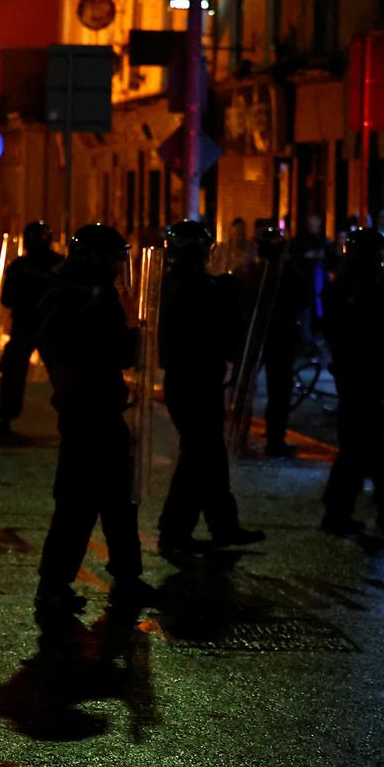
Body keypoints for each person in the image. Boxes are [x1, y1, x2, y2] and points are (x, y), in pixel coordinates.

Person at [32, 223, 151, 621]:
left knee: (119, 500)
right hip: (85, 413)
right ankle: (52, 586)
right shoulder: (70, 299)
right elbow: (75, 350)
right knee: (77, 504)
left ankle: (126, 576)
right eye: (114, 261)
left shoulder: (88, 296)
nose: (119, 270)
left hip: (100, 409)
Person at [158, 220, 266, 551]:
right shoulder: (192, 288)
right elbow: (214, 330)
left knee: (210, 454)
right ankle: (175, 530)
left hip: (196, 379)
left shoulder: (180, 284)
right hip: (193, 380)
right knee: (199, 454)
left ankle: (222, 525)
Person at [322, 227, 384, 534]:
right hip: (360, 378)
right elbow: (360, 333)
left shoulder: (369, 287)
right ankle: (339, 513)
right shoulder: (350, 291)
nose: (381, 263)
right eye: (377, 257)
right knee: (357, 448)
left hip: (378, 376)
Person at [0, 221, 61, 437]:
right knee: (62, 373)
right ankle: (71, 415)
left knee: (16, 372)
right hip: (47, 327)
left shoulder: (20, 266)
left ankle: (6, 417)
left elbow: (6, 299)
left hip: (33, 326)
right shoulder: (58, 265)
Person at [253, 226, 312, 458]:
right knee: (278, 390)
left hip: (266, 337)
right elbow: (303, 302)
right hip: (278, 338)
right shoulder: (288, 274)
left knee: (275, 390)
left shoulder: (256, 273)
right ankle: (274, 437)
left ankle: (272, 436)